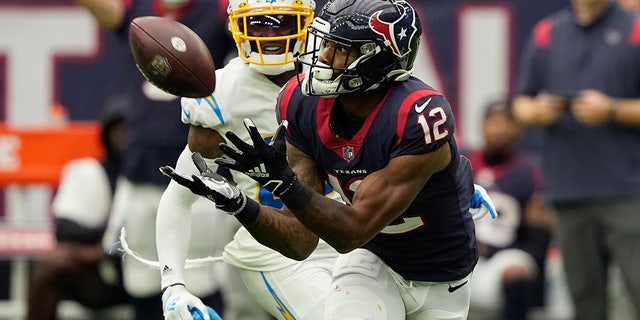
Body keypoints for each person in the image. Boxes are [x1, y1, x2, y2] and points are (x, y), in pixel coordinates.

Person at [161, 0, 480, 318]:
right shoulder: (297, 100)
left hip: (434, 273)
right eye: (324, 43)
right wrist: (241, 207)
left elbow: (354, 225)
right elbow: (301, 240)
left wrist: (448, 189)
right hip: (343, 255)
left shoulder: (416, 117)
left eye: (338, 48)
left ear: (375, 59)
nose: (323, 56)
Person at [154, 0, 341, 319]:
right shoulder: (223, 93)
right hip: (277, 251)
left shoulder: (339, 78)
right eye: (258, 24)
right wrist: (173, 285)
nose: (270, 35)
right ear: (235, 27)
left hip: (349, 237)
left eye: (281, 21)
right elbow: (179, 197)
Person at [74, 0, 234, 318]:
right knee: (142, 274)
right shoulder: (140, 10)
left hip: (197, 162)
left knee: (197, 273)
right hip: (141, 164)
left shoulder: (218, 10)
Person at [513, 0, 640, 319]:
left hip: (629, 192)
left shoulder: (635, 27)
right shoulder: (547, 33)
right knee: (585, 303)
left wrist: (611, 110)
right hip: (567, 190)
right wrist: (538, 112)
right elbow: (521, 103)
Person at [26, 98, 130, 320]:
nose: (125, 136)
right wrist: (102, 244)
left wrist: (105, 245)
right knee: (52, 265)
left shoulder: (159, 177)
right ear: (106, 134)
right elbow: (64, 229)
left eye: (130, 129)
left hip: (150, 274)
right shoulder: (88, 173)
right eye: (119, 129)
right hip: (102, 279)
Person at [463, 99, 551, 320]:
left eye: (506, 122)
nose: (498, 129)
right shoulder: (461, 161)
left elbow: (538, 239)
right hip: (459, 256)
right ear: (481, 125)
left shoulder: (531, 172)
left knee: (516, 274)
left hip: (503, 257)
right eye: (493, 122)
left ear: (518, 128)